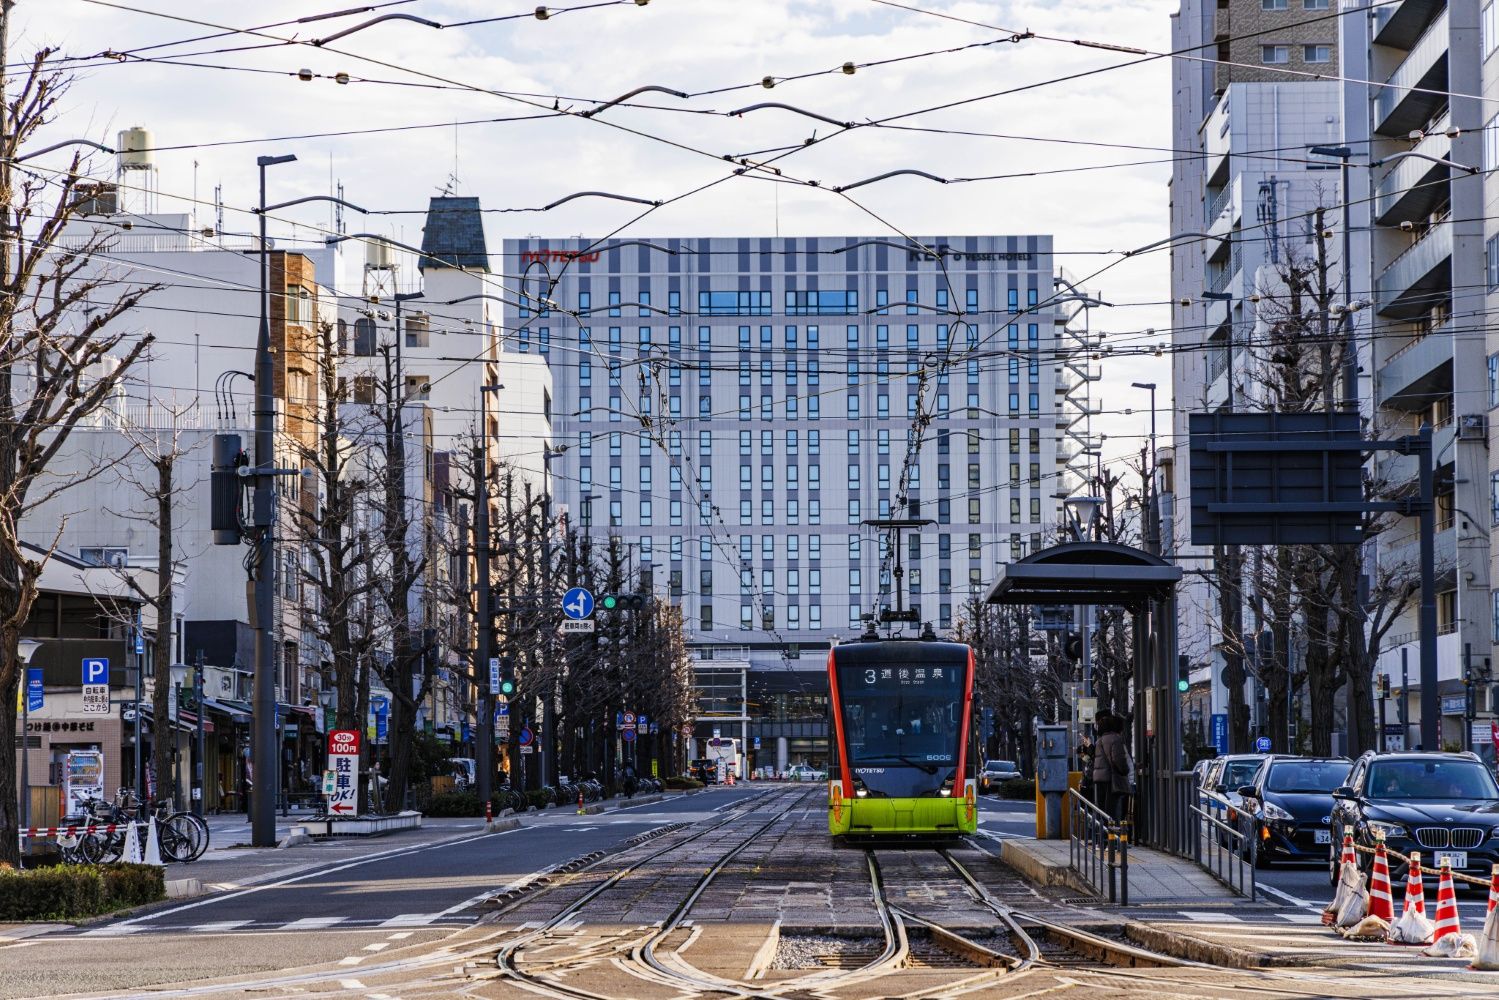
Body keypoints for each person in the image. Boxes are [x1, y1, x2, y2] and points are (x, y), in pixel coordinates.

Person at [1096, 715, 1134, 824]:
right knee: (1114, 812)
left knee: (1102, 812)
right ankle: (1114, 838)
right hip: (1113, 781)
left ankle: (1104, 838)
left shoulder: (1100, 741)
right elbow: (1119, 760)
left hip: (1100, 780)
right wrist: (1125, 771)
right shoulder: (1115, 739)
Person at [1089, 713, 1115, 808]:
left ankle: (1104, 822)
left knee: (1103, 807)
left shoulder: (1101, 741)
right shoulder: (1111, 739)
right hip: (1107, 777)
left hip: (1102, 778)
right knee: (1108, 807)